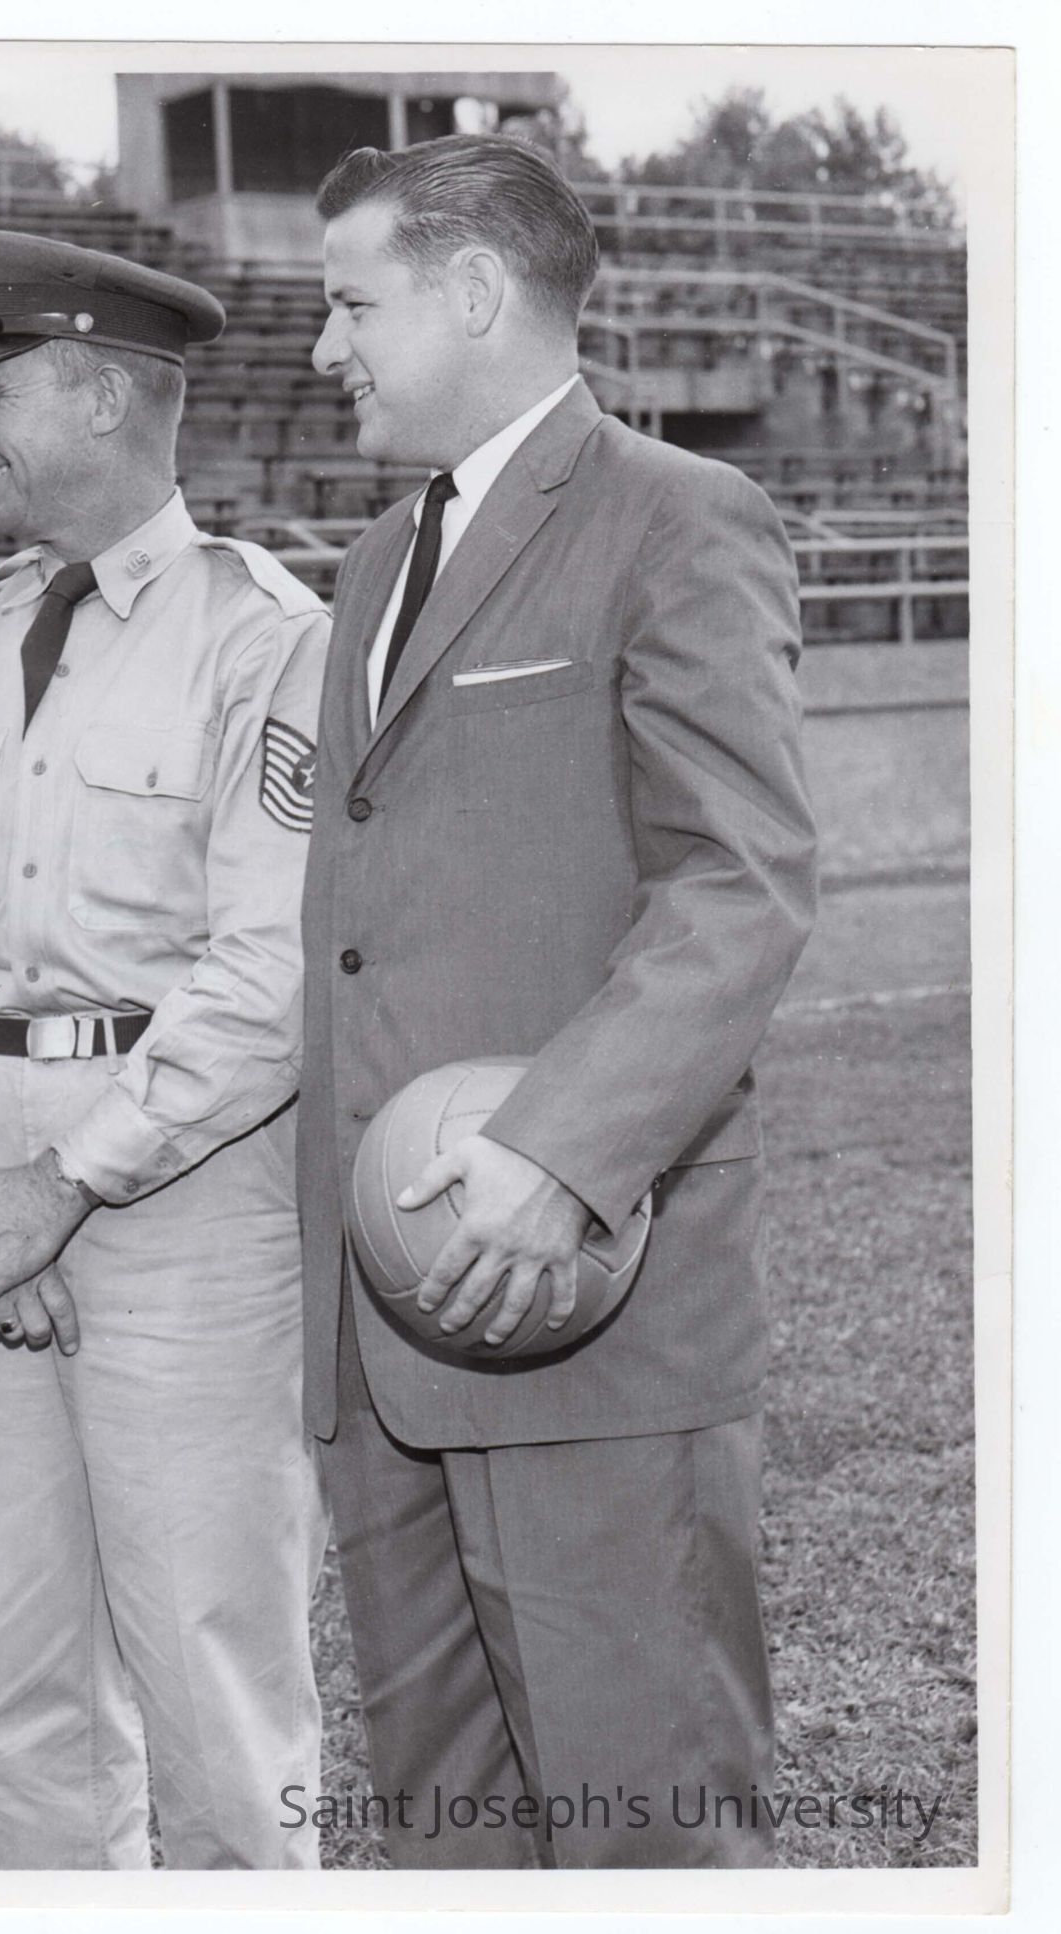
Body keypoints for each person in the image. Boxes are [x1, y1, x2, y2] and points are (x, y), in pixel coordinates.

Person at [299, 134, 818, 1867]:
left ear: (471, 292)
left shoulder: (679, 514)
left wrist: (564, 1151)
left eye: (350, 305)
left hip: (585, 1309)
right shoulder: (377, 560)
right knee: (453, 1849)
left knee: (647, 1841)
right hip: (394, 1327)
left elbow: (739, 877)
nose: (325, 348)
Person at [0, 222, 331, 1869]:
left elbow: (270, 974)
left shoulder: (266, 636)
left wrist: (58, 1189)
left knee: (214, 1688)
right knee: (18, 1696)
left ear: (101, 395)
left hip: (181, 1203)